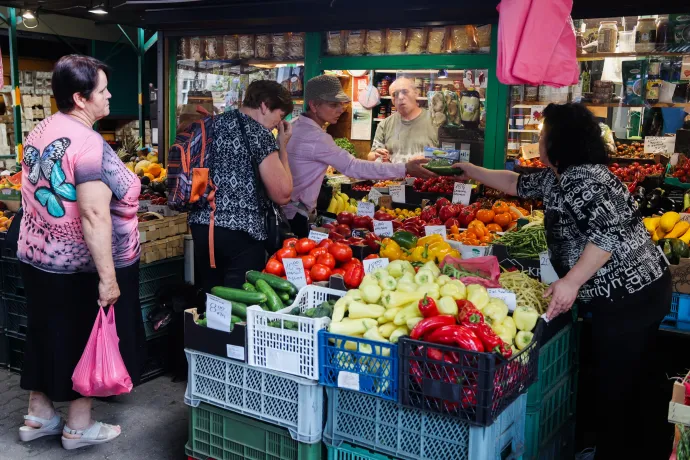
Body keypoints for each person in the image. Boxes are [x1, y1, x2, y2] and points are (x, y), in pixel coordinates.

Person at [452, 103, 670, 460]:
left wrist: (571, 282)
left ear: (559, 141)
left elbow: (607, 235)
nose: (539, 141)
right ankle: (617, 443)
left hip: (629, 296)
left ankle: (613, 450)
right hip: (630, 294)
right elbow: (514, 182)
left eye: (543, 135)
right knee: (625, 376)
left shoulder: (583, 178)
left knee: (616, 382)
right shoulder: (560, 175)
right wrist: (472, 170)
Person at [16, 55, 145, 449]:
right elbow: (92, 211)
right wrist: (108, 277)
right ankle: (78, 425)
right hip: (80, 266)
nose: (109, 97)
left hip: (38, 255)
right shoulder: (88, 142)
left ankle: (39, 416)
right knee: (85, 339)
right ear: (81, 98)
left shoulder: (42, 128)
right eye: (103, 91)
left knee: (44, 333)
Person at [284, 75, 435, 237]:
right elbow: (353, 167)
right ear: (314, 105)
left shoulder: (293, 125)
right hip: (296, 214)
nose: (340, 109)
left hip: (284, 210)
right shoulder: (316, 137)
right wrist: (404, 168)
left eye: (341, 104)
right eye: (333, 104)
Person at [188, 80, 293, 292]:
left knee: (212, 298)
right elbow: (282, 194)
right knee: (239, 303)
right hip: (241, 234)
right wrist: (282, 146)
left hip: (202, 229)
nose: (277, 124)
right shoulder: (259, 134)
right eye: (279, 116)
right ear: (264, 105)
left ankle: (206, 326)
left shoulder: (209, 125)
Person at [368, 76, 438, 163]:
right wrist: (376, 155)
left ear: (416, 93)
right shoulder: (385, 124)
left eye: (405, 92)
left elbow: (451, 154)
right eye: (395, 94)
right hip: (394, 176)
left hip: (428, 176)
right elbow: (371, 156)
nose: (400, 97)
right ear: (392, 100)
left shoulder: (435, 121)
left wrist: (429, 156)